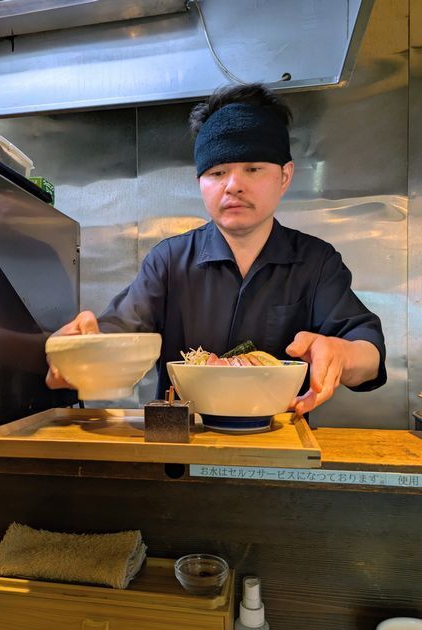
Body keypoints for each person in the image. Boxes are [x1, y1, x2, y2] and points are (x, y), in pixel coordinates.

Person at [46, 83, 386, 416]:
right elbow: (119, 332)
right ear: (200, 182)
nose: (233, 185)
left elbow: (368, 354)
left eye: (253, 168)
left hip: (278, 440)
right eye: (218, 172)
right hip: (181, 440)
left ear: (285, 176)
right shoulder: (169, 261)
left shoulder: (316, 261)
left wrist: (342, 354)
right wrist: (79, 352)